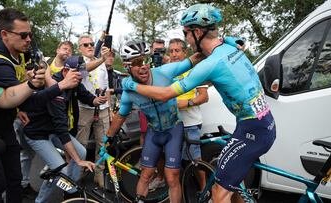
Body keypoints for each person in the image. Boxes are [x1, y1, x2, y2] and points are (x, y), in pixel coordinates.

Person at [121, 4, 276, 203]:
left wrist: (131, 85)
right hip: (259, 124)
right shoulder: (229, 47)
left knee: (219, 194)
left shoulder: (209, 65)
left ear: (197, 32)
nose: (185, 39)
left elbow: (165, 94)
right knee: (233, 182)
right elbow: (226, 45)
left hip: (252, 130)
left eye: (185, 33)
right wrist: (229, 39)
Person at [0, 8, 81, 203]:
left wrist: (19, 108)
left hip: (6, 123)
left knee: (14, 179)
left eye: (30, 34)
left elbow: (19, 94)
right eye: (24, 35)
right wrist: (61, 86)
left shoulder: (19, 53)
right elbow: (26, 98)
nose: (29, 39)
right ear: (4, 34)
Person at [103, 40, 206, 203]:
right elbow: (121, 116)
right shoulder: (128, 92)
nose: (143, 66)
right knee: (145, 174)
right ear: (126, 66)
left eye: (146, 60)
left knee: (172, 176)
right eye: (137, 62)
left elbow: (194, 59)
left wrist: (215, 43)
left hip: (174, 129)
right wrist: (107, 137)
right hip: (154, 132)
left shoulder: (165, 72)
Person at [23, 56, 101, 203]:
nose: (80, 79)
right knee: (59, 170)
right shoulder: (55, 87)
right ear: (65, 71)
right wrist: (78, 161)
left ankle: (70, 188)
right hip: (38, 134)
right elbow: (61, 130)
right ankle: (41, 201)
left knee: (82, 151)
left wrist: (96, 100)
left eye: (82, 76)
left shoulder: (74, 82)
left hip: (52, 130)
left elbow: (86, 96)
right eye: (77, 75)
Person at [0, 61, 45, 203]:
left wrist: (30, 84)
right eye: (24, 36)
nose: (28, 39)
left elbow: (5, 97)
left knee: (1, 184)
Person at [169, 38, 208, 190]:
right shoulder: (168, 71)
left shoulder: (195, 70)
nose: (174, 54)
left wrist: (187, 103)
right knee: (174, 161)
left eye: (177, 51)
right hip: (172, 124)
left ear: (185, 53)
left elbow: (204, 96)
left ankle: (204, 191)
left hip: (191, 124)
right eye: (171, 51)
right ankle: (179, 191)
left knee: (195, 160)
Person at [76, 34, 110, 187]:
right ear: (79, 49)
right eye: (85, 45)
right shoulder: (77, 62)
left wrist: (110, 107)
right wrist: (101, 59)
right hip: (84, 109)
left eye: (91, 44)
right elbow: (83, 71)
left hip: (103, 109)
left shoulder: (102, 62)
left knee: (102, 144)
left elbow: (107, 86)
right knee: (80, 144)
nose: (89, 46)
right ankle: (78, 173)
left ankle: (99, 173)